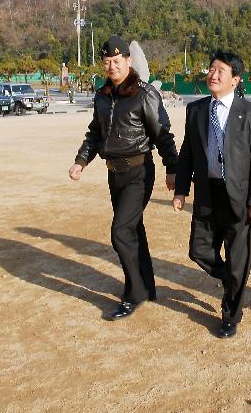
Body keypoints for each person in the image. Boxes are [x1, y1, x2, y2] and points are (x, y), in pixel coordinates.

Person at [69, 36, 178, 320]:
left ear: (128, 61)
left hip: (139, 172)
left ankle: (134, 292)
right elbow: (95, 132)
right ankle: (148, 286)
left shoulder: (144, 94)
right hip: (114, 174)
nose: (112, 67)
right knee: (133, 231)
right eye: (107, 62)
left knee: (120, 232)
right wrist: (82, 161)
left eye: (117, 61)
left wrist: (172, 168)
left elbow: (162, 134)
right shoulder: (103, 96)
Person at [173, 51, 251, 338]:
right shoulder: (197, 110)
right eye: (212, 69)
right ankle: (232, 279)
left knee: (238, 256)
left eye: (221, 71)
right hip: (207, 193)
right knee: (198, 251)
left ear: (235, 79)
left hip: (238, 199)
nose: (213, 75)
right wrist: (181, 190)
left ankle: (231, 315)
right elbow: (188, 152)